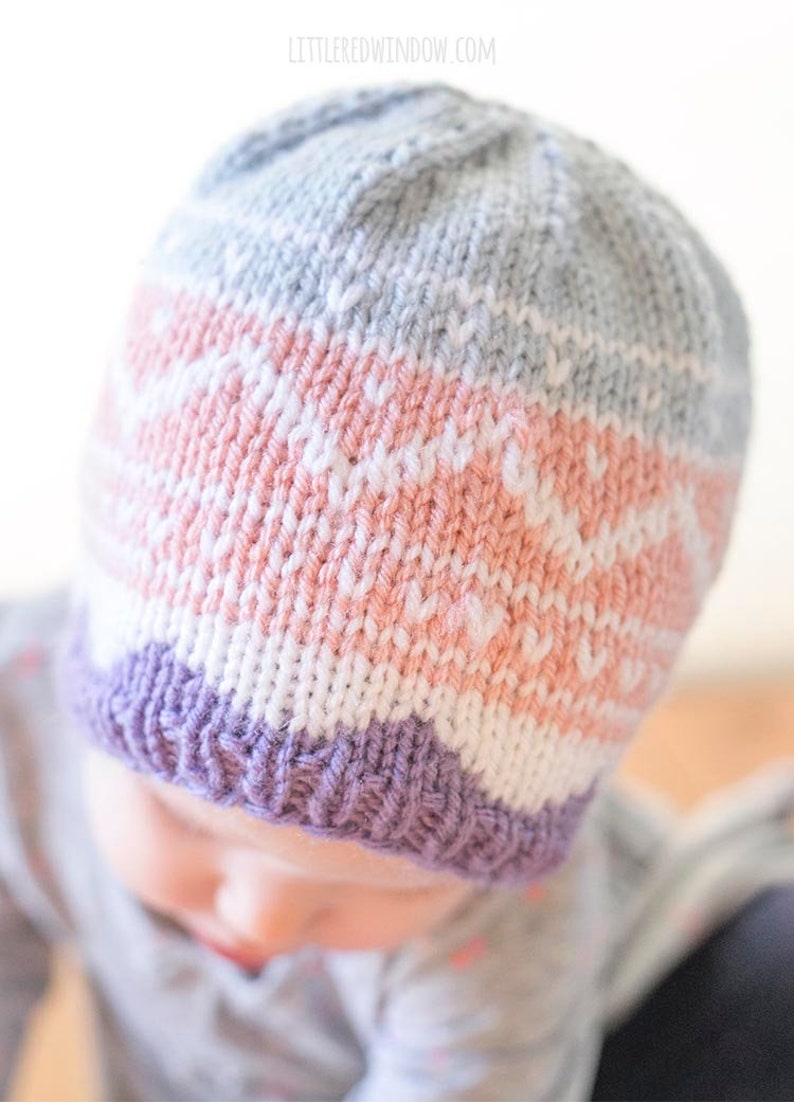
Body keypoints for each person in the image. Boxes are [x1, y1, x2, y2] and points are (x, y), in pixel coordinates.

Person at [1, 81, 792, 1102]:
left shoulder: (506, 908)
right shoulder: (21, 723)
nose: (259, 921)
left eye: (377, 876)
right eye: (184, 817)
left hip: (617, 1006)